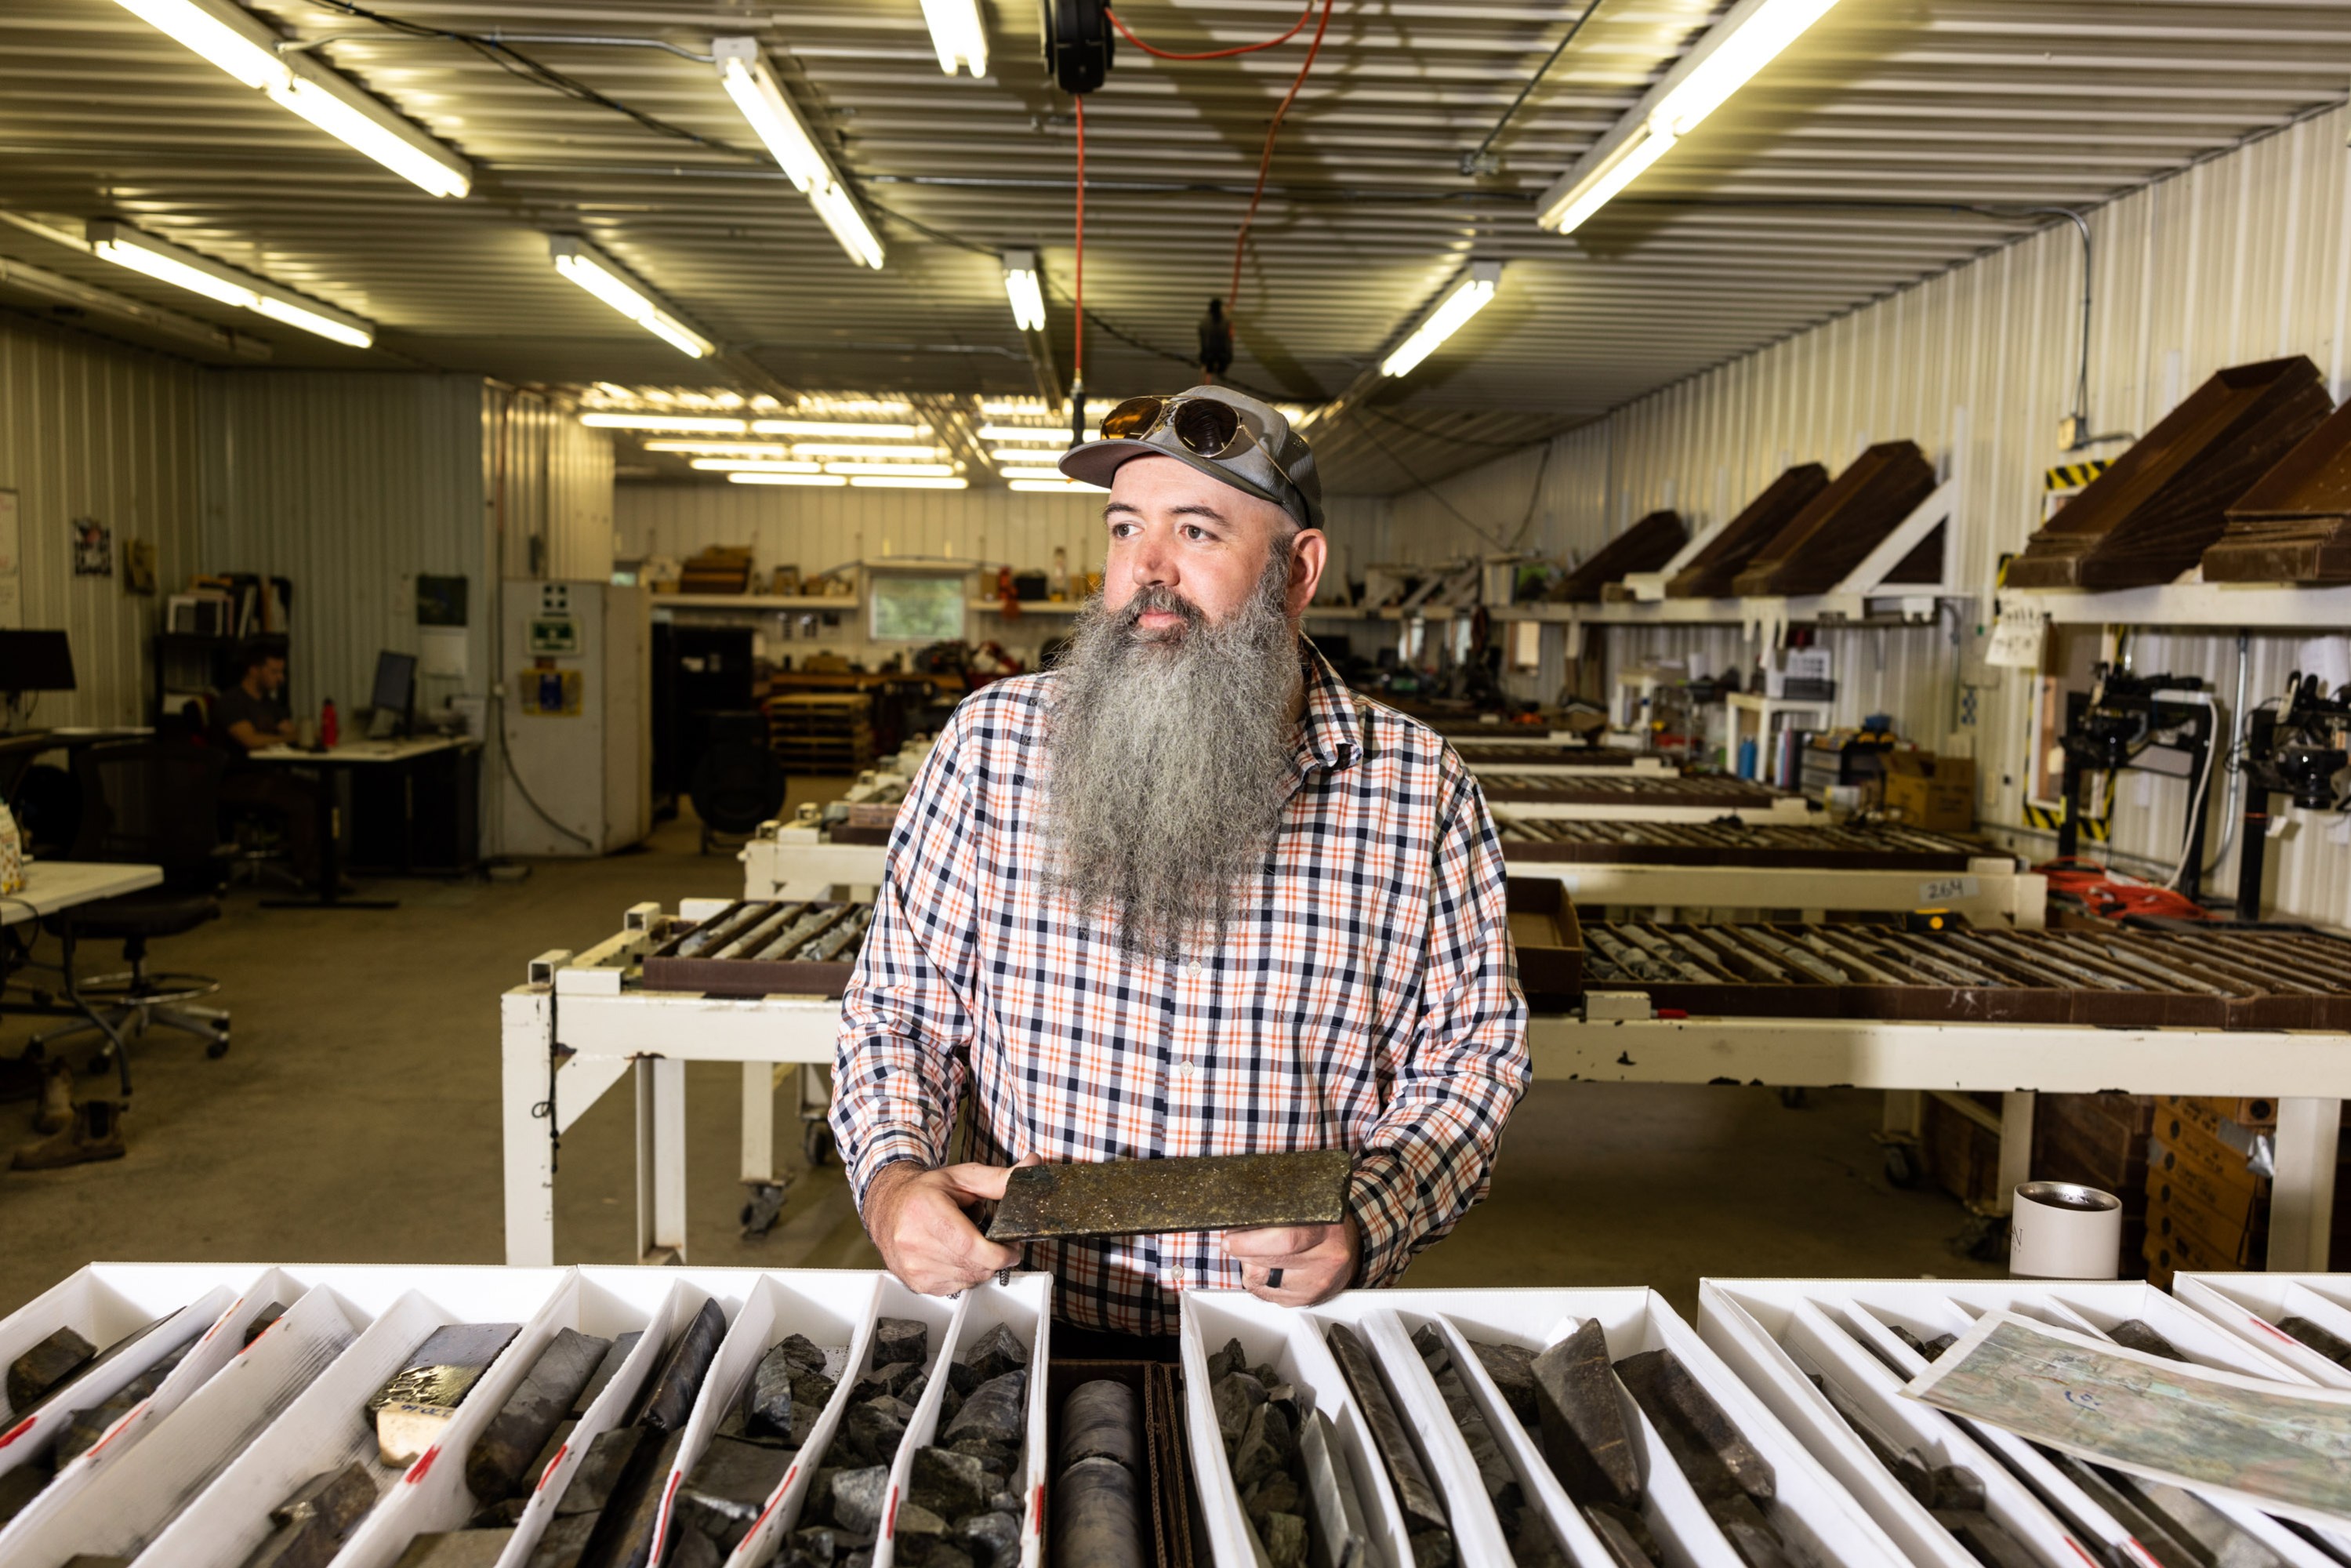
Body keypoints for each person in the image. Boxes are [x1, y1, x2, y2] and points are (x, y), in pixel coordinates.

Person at [833, 387, 1529, 1346]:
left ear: (1298, 568)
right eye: (1124, 529)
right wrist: (892, 1180)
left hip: (1277, 1343)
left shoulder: (1415, 790)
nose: (1144, 570)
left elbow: (1470, 1056)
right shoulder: (992, 749)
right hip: (1023, 1326)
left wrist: (1372, 1213)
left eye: (1195, 531)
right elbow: (897, 1013)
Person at [212, 639, 321, 882]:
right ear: (253, 669)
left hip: (267, 777)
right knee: (300, 802)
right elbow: (249, 740)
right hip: (236, 781)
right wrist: (295, 735)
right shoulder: (232, 702)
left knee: (322, 793)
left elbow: (288, 731)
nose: (279, 678)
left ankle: (324, 866)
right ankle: (310, 873)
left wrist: (313, 736)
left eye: (281, 672)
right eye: (274, 671)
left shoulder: (269, 704)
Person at [1197, 297, 1234, 383]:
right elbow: (1229, 340)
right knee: (1212, 379)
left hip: (1214, 355)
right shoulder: (1225, 321)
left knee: (1211, 378)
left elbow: (1202, 340)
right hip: (1216, 355)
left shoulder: (1205, 322)